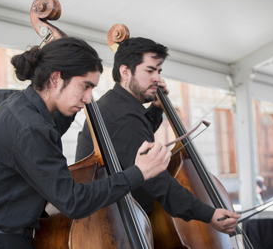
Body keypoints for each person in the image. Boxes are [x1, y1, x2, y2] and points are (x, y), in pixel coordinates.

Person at [0, 37, 172, 249]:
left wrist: (154, 109)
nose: (89, 98)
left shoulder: (20, 108)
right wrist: (138, 173)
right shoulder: (30, 127)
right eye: (85, 86)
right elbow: (73, 201)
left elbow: (56, 126)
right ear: (55, 79)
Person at [75, 37, 240, 235]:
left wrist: (155, 109)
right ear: (125, 72)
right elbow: (158, 182)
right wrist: (209, 214)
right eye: (150, 70)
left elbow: (135, 140)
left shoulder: (117, 106)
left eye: (159, 71)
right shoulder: (122, 116)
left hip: (118, 223)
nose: (157, 78)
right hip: (115, 230)